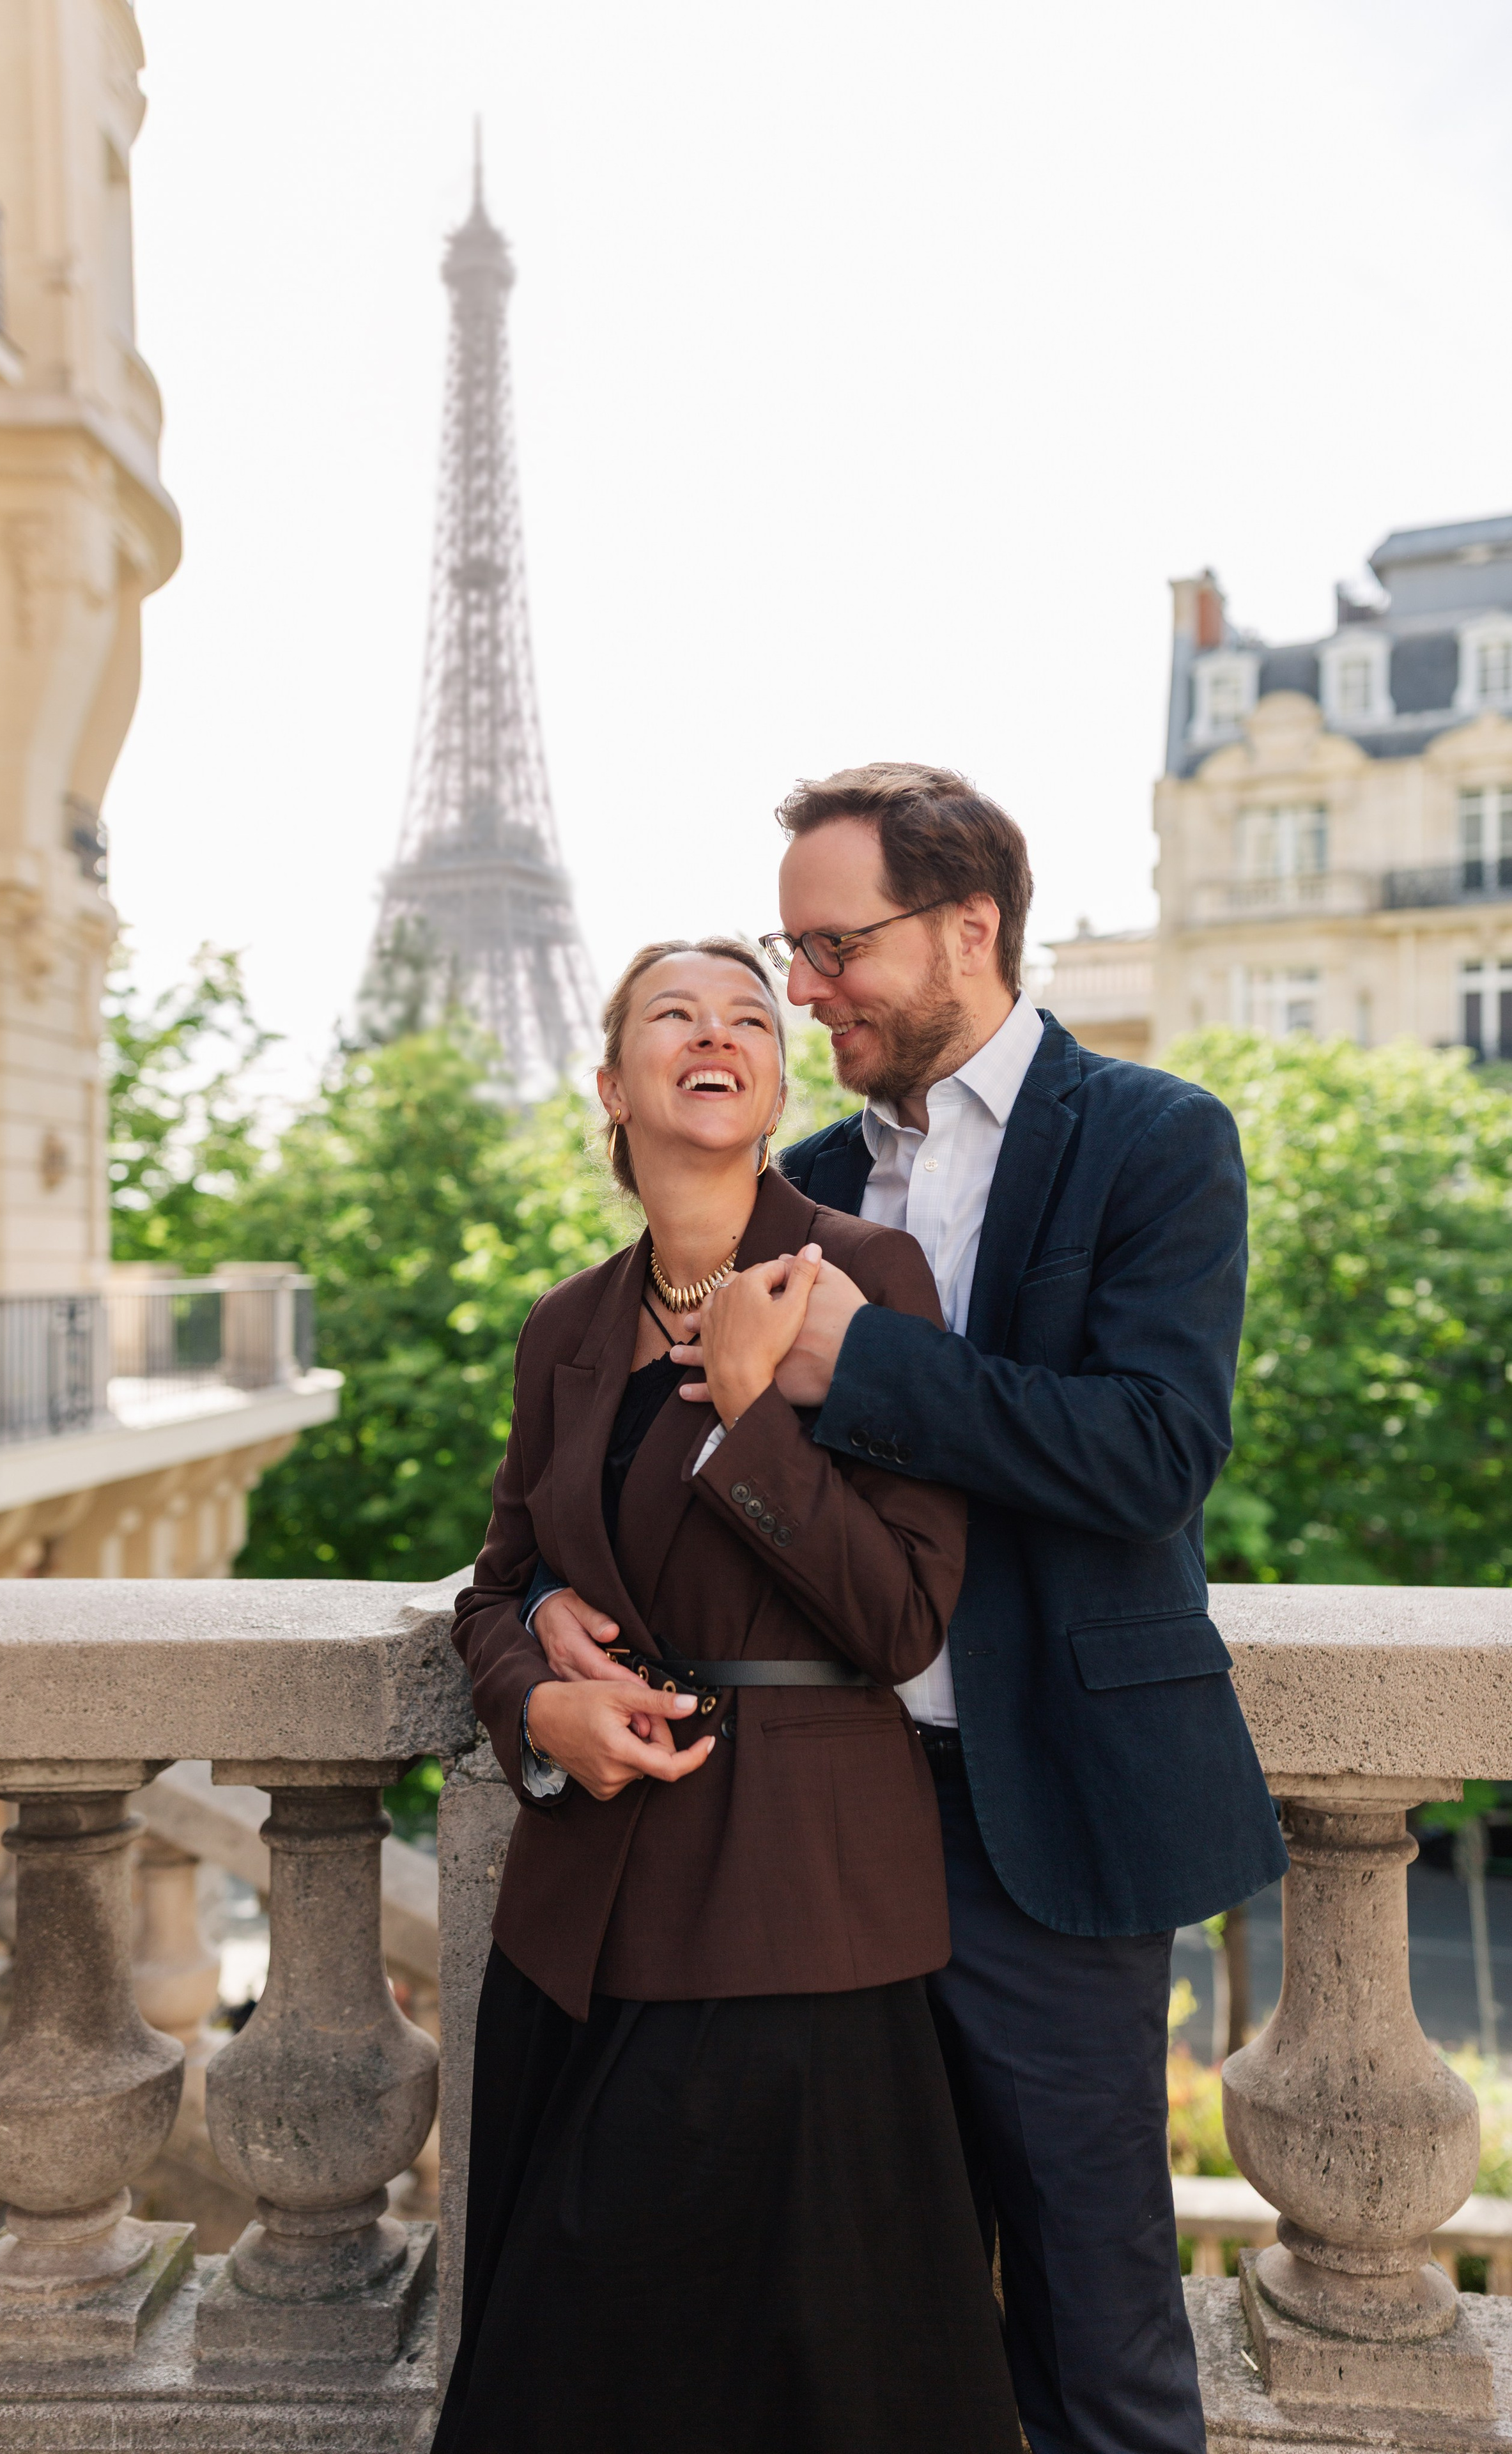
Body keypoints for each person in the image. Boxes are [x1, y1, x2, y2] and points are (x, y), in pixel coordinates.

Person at [530, 768, 1291, 2454]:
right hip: (807, 1834)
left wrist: (860, 1364)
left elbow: (1154, 1453)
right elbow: (629, 1473)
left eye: (832, 948)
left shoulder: (1153, 1137)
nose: (803, 989)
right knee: (854, 2320)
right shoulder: (799, 1176)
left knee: (1094, 2328)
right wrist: (545, 1618)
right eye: (791, 952)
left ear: (968, 927)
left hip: (1049, 1822)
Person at [437, 934, 1021, 2454]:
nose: (716, 1035)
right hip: (581, 1922)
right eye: (674, 1016)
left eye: (749, 1019)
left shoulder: (865, 1279)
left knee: (815, 2394)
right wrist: (535, 1703)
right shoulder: (565, 1326)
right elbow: (491, 1589)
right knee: (566, 2388)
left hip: (794, 1910)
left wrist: (752, 1403)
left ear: (772, 1084)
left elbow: (898, 1616)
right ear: (611, 1085)